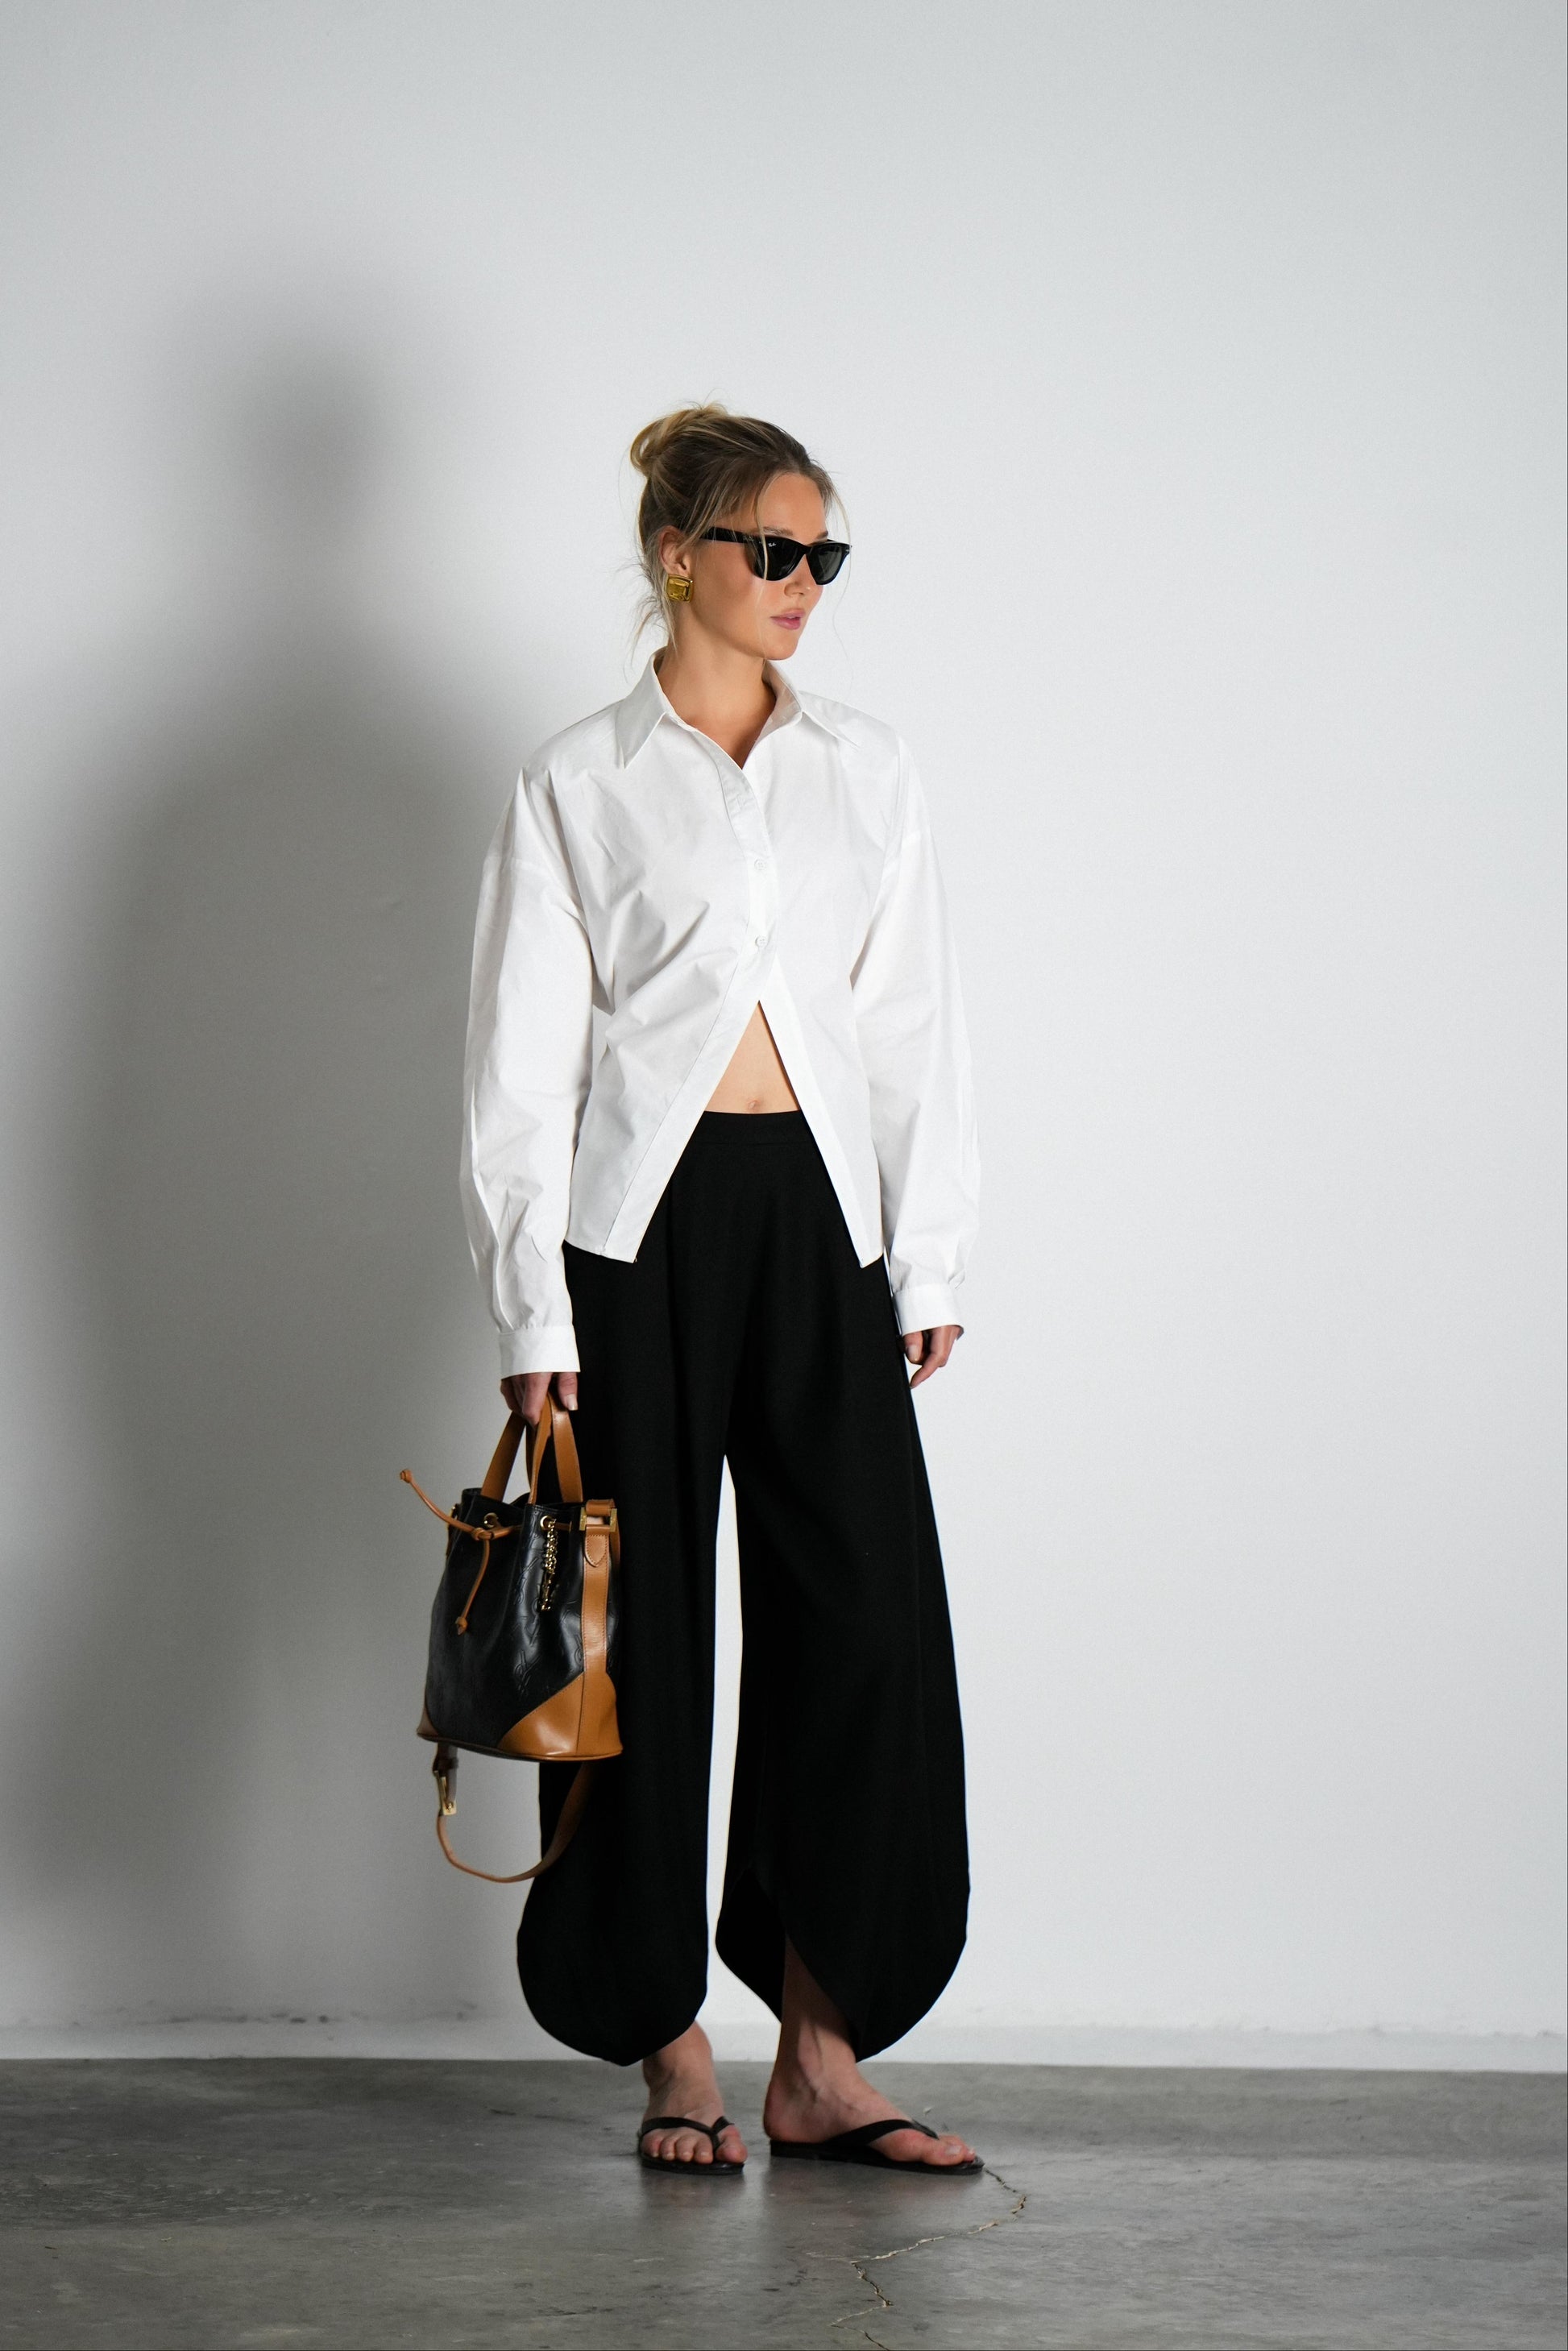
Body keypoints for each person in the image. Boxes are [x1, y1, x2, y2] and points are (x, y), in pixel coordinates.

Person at [459, 404, 981, 2175]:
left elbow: (910, 1021)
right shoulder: (578, 780)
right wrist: (532, 1307)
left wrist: (927, 1247)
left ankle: (820, 2054)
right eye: (772, 548)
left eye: (823, 553)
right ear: (678, 555)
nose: (802, 581)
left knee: (864, 1623)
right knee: (642, 1638)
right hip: (639, 1233)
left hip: (822, 1219)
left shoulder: (866, 767)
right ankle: (667, 2042)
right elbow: (519, 1066)